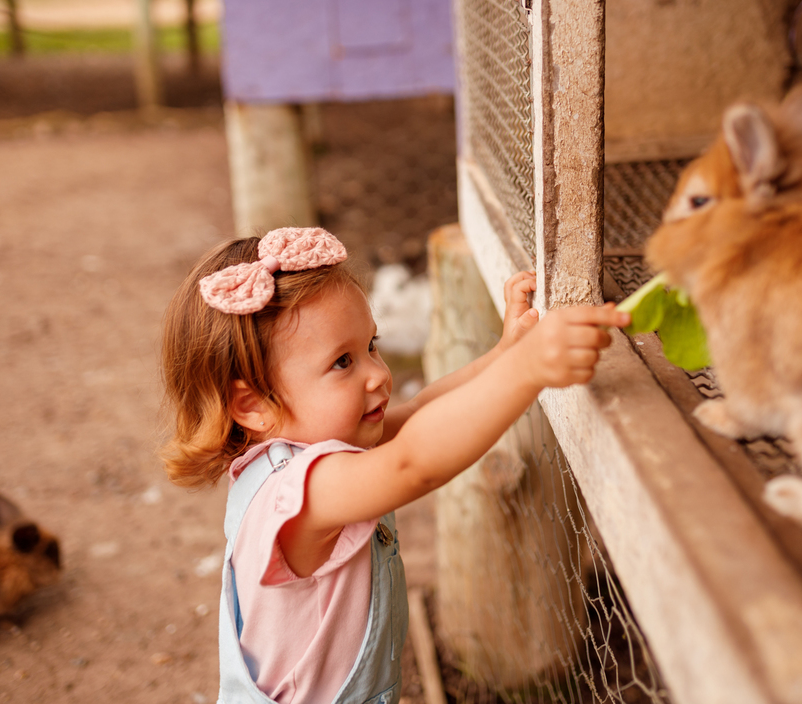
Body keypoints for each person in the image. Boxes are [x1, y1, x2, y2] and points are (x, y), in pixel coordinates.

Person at [159, 226, 628, 704]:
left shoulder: (301, 453)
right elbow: (413, 464)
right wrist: (527, 369)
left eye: (372, 346)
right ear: (253, 403)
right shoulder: (303, 490)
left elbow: (420, 410)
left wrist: (505, 352)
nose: (379, 374)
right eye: (343, 362)